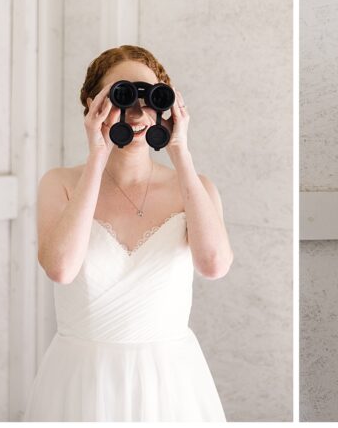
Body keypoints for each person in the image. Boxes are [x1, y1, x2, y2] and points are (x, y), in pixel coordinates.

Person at [26, 45, 232, 421]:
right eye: (122, 96)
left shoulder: (195, 187)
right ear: (94, 103)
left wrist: (180, 150)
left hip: (170, 382)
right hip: (83, 380)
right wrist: (97, 156)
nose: (138, 113)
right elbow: (61, 269)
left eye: (151, 97)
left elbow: (214, 264)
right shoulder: (60, 183)